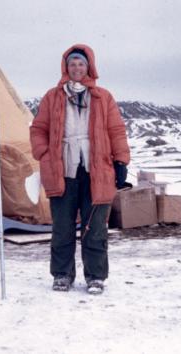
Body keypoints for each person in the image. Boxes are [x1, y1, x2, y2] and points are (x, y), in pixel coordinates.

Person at [29, 44, 130, 294]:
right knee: (62, 226)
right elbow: (38, 129)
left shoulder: (102, 97)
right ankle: (62, 274)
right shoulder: (53, 97)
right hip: (62, 170)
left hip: (97, 170)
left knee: (94, 226)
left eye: (81, 64)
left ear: (89, 67)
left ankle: (95, 276)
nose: (76, 68)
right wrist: (44, 154)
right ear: (66, 67)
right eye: (72, 63)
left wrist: (121, 162)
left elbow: (116, 130)